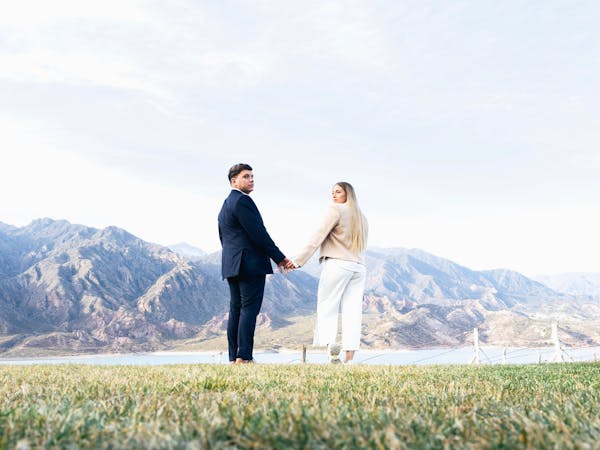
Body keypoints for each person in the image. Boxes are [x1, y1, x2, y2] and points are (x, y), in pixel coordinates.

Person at [218, 163, 293, 364]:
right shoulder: (243, 201)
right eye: (246, 176)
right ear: (234, 181)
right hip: (249, 264)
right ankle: (245, 356)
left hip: (231, 265)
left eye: (252, 176)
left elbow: (224, 238)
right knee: (249, 309)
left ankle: (234, 357)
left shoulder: (225, 205)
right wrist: (279, 257)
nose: (251, 180)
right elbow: (258, 233)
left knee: (236, 310)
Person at [293, 182, 368, 364]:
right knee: (353, 312)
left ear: (347, 194)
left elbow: (318, 235)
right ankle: (349, 358)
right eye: (332, 192)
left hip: (337, 265)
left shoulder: (336, 210)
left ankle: (332, 350)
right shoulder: (361, 217)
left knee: (328, 308)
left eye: (338, 192)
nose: (333, 195)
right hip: (358, 268)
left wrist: (298, 260)